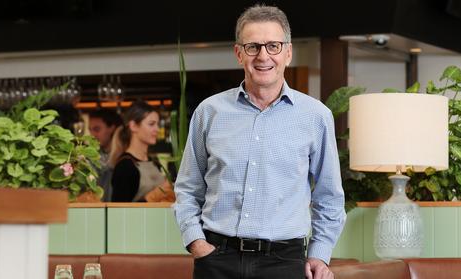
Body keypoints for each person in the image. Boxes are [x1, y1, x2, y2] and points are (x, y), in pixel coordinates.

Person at [172, 4, 345, 279]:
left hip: (284, 262)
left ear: (288, 52)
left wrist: (319, 255)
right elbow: (188, 188)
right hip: (216, 259)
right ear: (239, 53)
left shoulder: (316, 116)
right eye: (253, 46)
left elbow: (329, 198)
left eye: (273, 46)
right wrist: (197, 243)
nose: (263, 56)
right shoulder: (209, 112)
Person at [110, 101, 174, 202]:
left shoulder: (154, 163)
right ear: (133, 126)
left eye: (157, 124)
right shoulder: (125, 166)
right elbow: (120, 212)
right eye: (151, 124)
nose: (157, 129)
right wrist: (154, 196)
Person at [88, 109, 122, 202]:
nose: (92, 135)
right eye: (90, 130)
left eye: (97, 129)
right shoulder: (93, 156)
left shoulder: (123, 157)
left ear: (112, 128)